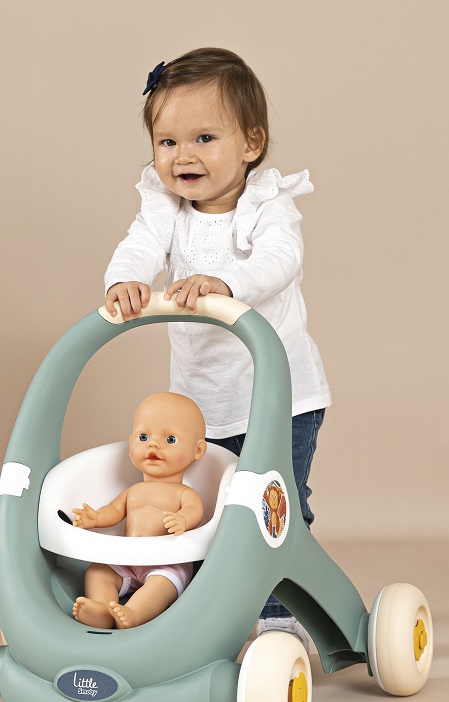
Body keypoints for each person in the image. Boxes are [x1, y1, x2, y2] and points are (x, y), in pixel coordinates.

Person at [103, 48, 331, 648]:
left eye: (204, 138)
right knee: (200, 506)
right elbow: (138, 246)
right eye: (168, 142)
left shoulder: (267, 205)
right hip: (202, 403)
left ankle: (278, 614)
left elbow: (281, 260)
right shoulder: (166, 207)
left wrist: (226, 285)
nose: (184, 156)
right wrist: (124, 281)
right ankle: (198, 606)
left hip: (279, 396)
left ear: (251, 142)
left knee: (272, 502)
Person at [71, 392, 207, 630]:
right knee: (98, 571)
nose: (153, 444)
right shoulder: (133, 491)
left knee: (161, 585)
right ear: (131, 442)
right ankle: (102, 608)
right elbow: (113, 511)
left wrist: (182, 520)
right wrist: (96, 517)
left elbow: (195, 511)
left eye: (170, 439)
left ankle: (133, 614)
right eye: (143, 437)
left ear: (197, 450)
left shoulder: (184, 493)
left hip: (167, 563)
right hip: (127, 561)